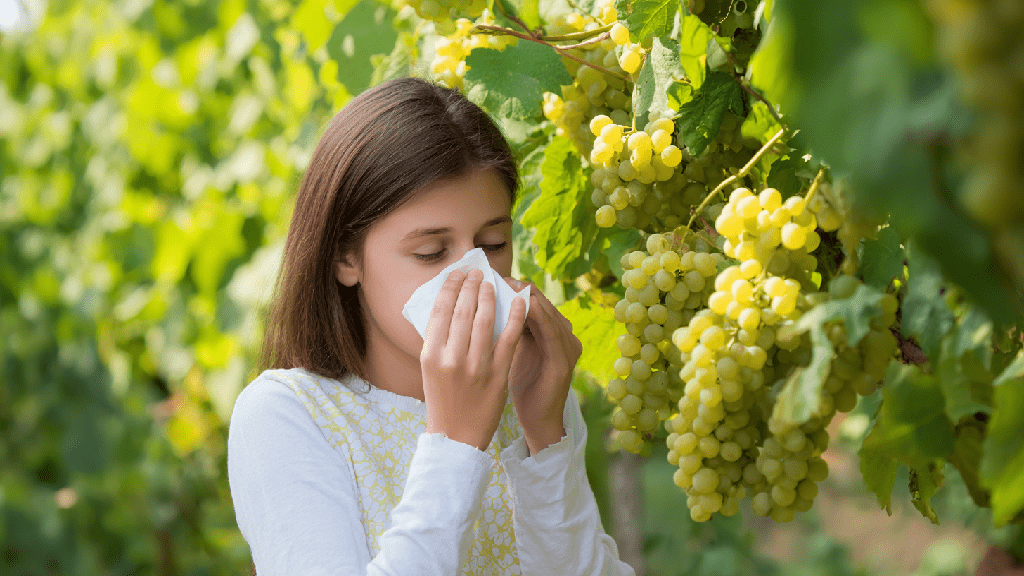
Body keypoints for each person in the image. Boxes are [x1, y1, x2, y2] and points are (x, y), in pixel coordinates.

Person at [227, 76, 636, 575]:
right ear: (345, 257)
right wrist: (456, 445)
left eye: (492, 245)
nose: (474, 277)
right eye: (430, 252)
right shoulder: (288, 416)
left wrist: (546, 439)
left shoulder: (527, 393)